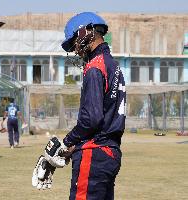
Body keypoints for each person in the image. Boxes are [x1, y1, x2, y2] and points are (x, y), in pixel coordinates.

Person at [33, 12, 126, 199]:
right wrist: (70, 150)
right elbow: (102, 125)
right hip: (110, 154)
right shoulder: (114, 65)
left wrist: (66, 143)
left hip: (93, 156)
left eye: (74, 41)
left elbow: (91, 119)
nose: (75, 49)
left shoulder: (95, 67)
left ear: (85, 32)